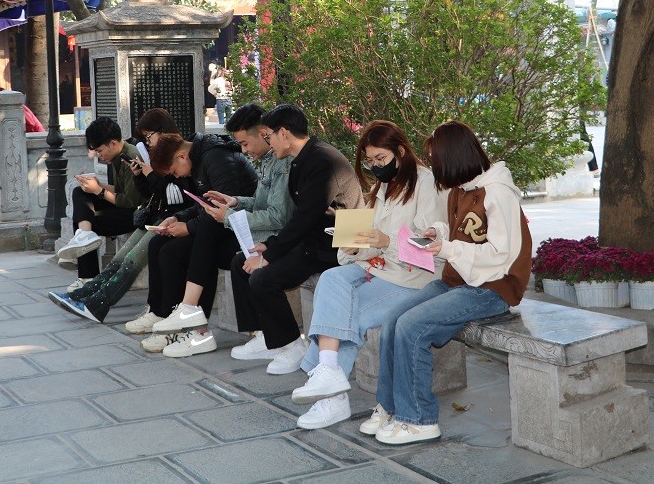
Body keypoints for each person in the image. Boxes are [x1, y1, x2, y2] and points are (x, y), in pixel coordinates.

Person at [362, 120, 531, 445]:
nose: (435, 167)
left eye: (436, 160)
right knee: (394, 319)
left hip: (492, 288)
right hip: (457, 280)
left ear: (453, 157)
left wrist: (447, 248)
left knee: (412, 325)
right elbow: (456, 231)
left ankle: (419, 420)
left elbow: (501, 256)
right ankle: (390, 406)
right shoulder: (461, 189)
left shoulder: (498, 193)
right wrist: (436, 233)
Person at [290, 120, 447, 430]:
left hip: (413, 279)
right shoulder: (383, 187)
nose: (375, 166)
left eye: (380, 159)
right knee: (331, 279)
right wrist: (353, 247)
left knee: (350, 317)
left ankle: (332, 397)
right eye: (370, 161)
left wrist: (385, 242)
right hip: (379, 268)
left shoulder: (425, 184)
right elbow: (370, 239)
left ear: (400, 151)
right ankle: (328, 373)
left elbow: (429, 245)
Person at [141, 103, 292, 357]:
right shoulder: (268, 161)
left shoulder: (222, 158)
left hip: (259, 236)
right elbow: (244, 202)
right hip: (242, 231)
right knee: (171, 247)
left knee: (205, 236)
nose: (243, 151)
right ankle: (185, 322)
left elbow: (277, 215)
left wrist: (213, 217)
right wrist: (231, 204)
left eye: (245, 143)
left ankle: (193, 320)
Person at [229, 104, 363, 375]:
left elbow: (305, 219)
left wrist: (269, 255)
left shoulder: (322, 161)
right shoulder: (305, 158)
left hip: (339, 245)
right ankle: (270, 337)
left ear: (284, 133)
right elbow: (301, 218)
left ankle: (292, 344)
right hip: (314, 239)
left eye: (269, 136)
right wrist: (268, 246)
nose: (268, 142)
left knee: (263, 278)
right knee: (242, 261)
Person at [49, 108, 186, 323]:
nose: (146, 142)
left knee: (132, 260)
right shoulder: (151, 155)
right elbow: (155, 192)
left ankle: (97, 305)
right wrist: (140, 175)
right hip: (156, 215)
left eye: (148, 136)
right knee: (119, 258)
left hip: (163, 217)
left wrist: (101, 190)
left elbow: (163, 195)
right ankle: (84, 293)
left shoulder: (175, 155)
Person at [134, 126, 258, 356]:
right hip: (220, 230)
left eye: (173, 171)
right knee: (159, 245)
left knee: (188, 245)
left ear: (182, 156)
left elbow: (224, 210)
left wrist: (188, 227)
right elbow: (202, 204)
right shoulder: (199, 157)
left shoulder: (217, 158)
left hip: (244, 232)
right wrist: (179, 218)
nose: (177, 177)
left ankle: (192, 325)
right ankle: (169, 316)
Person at [53, 117, 144, 285]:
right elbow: (119, 190)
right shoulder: (117, 156)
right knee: (80, 193)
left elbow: (130, 202)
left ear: (113, 143)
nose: (99, 155)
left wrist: (99, 190)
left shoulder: (130, 157)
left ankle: (87, 278)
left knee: (87, 221)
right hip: (124, 206)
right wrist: (97, 185)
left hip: (135, 214)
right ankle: (84, 237)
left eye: (100, 150)